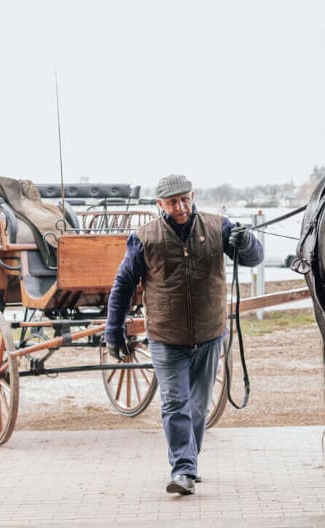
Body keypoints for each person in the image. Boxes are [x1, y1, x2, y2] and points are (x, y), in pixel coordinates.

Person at [105, 174, 264, 495]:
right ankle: (183, 469)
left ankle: (188, 460)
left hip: (209, 331)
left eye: (185, 199)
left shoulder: (219, 227)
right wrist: (114, 329)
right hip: (166, 335)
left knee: (198, 405)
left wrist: (246, 241)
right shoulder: (145, 238)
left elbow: (253, 258)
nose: (181, 207)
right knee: (175, 403)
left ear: (192, 196)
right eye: (173, 202)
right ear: (160, 205)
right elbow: (122, 286)